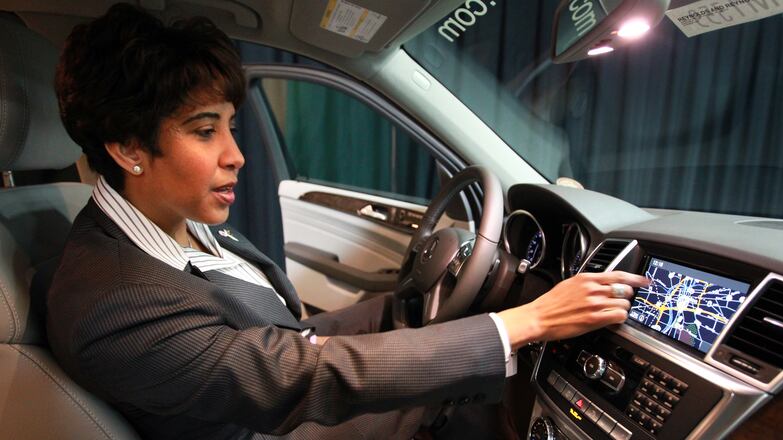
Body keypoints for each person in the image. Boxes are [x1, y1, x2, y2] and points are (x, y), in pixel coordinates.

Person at [47, 4, 649, 440]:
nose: (237, 154)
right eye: (206, 131)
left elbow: (289, 339)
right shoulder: (113, 302)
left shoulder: (168, 218)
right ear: (128, 148)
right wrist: (525, 322)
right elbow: (294, 374)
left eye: (231, 125)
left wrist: (401, 309)